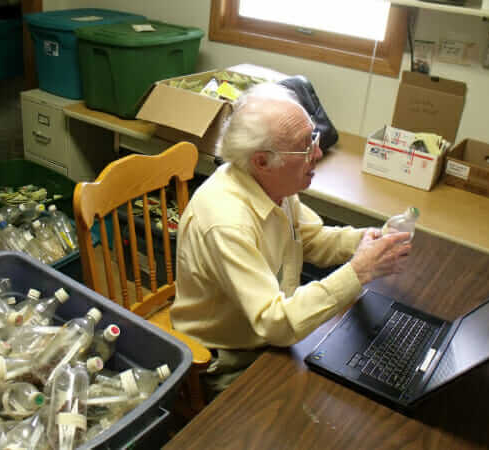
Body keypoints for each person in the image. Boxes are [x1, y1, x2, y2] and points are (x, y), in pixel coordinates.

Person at [170, 83, 411, 399]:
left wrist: (365, 242)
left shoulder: (273, 187)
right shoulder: (226, 221)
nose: (318, 152)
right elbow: (275, 323)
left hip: (271, 337)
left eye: (313, 137)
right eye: (304, 146)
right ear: (261, 161)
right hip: (227, 359)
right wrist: (359, 271)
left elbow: (311, 240)